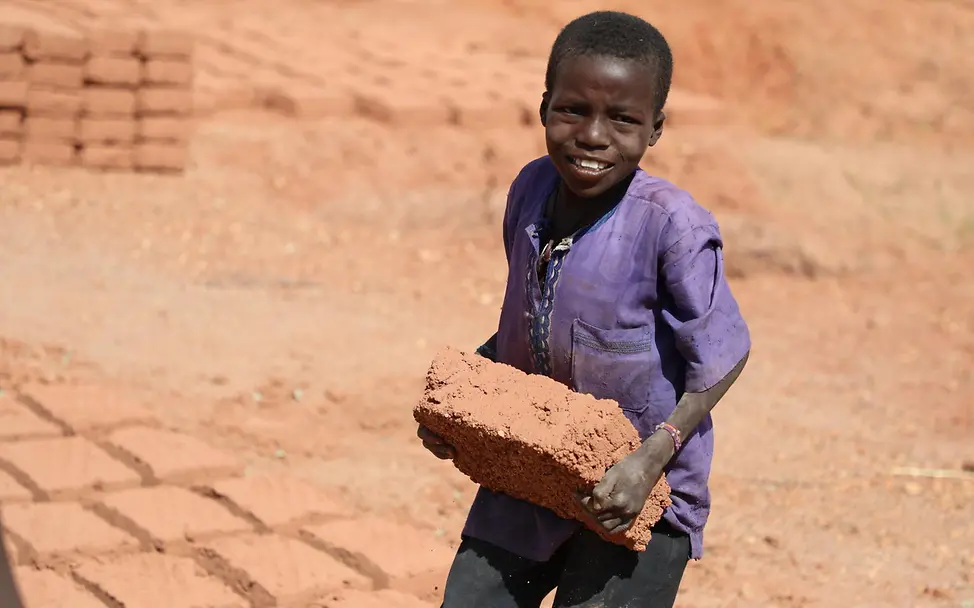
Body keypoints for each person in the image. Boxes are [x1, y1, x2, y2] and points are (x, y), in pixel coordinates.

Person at [417, 10, 751, 608]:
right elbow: (525, 320)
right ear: (544, 106)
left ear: (655, 129)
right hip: (530, 467)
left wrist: (650, 460)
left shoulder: (672, 227)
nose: (593, 136)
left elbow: (725, 354)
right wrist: (461, 403)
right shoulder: (529, 192)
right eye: (573, 110)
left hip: (637, 494)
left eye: (623, 119)